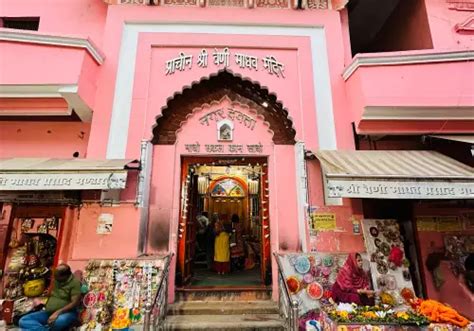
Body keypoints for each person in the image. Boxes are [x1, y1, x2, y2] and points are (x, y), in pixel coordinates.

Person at [19, 264, 81, 331]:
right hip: (48, 313)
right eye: (55, 276)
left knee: (59, 321)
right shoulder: (56, 280)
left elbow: (74, 303)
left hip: (66, 314)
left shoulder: (75, 283)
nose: (55, 277)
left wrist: (57, 312)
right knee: (23, 320)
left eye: (57, 276)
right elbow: (49, 294)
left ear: (65, 275)